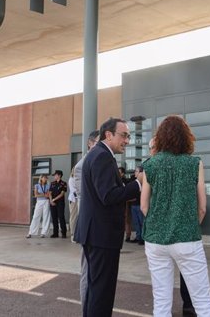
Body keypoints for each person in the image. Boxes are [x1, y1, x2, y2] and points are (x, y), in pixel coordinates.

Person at [141, 115, 210, 317]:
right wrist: (190, 223)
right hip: (187, 238)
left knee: (161, 300)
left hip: (155, 239)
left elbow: (143, 206)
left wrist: (159, 222)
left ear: (160, 138)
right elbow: (202, 207)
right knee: (202, 301)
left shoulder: (150, 165)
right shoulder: (194, 163)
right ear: (186, 137)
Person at [75, 118, 142, 317]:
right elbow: (109, 195)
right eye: (124, 135)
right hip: (101, 236)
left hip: (96, 234)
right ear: (108, 135)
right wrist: (138, 185)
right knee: (102, 292)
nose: (127, 140)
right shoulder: (103, 156)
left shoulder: (98, 155)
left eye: (128, 136)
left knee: (96, 289)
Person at [72, 130, 100, 308]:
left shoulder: (98, 162)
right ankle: (86, 308)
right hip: (90, 227)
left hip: (96, 227)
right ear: (90, 143)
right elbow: (86, 197)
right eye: (98, 142)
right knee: (87, 271)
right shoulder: (83, 165)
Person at [25, 174, 51, 239]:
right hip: (39, 202)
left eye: (46, 178)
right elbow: (36, 195)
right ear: (41, 178)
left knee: (46, 217)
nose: (45, 179)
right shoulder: (37, 185)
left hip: (46, 202)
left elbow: (48, 195)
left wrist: (42, 194)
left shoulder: (48, 186)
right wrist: (44, 194)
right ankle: (31, 232)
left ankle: (43, 233)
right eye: (44, 178)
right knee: (35, 217)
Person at [130, 166, 145, 245]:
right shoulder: (133, 181)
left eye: (136, 171)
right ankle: (138, 237)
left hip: (140, 205)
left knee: (141, 222)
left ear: (141, 173)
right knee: (136, 222)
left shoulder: (144, 182)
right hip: (133, 205)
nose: (135, 173)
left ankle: (143, 238)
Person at [49, 170, 67, 238]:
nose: (54, 176)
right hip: (52, 203)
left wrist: (54, 199)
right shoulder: (52, 183)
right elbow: (50, 193)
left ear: (59, 175)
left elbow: (62, 194)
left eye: (55, 175)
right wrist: (51, 200)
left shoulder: (64, 183)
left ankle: (64, 233)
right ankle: (55, 233)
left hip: (60, 203)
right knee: (54, 218)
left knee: (61, 217)